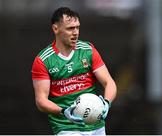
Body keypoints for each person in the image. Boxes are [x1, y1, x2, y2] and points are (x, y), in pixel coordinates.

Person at [31, 7, 117, 135]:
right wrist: (63, 111)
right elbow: (41, 101)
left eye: (77, 27)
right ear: (55, 29)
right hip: (66, 128)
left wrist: (106, 103)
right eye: (70, 28)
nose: (75, 32)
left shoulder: (88, 50)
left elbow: (109, 82)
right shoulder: (43, 60)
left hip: (96, 125)